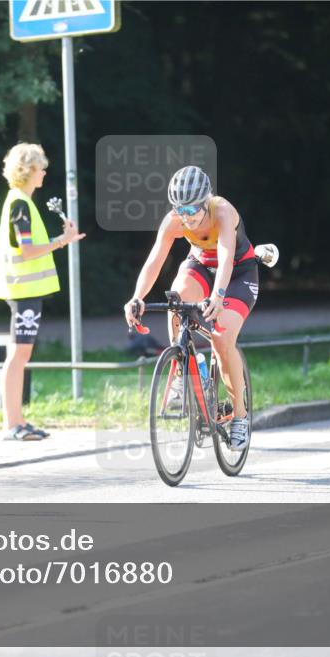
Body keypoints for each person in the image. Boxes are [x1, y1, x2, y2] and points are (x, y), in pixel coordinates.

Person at [123, 165, 259, 451]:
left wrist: (219, 296)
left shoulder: (223, 211)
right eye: (180, 210)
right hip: (200, 266)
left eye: (192, 210)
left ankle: (240, 416)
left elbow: (225, 259)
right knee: (177, 299)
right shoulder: (175, 220)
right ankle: (180, 369)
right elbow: (154, 261)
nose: (186, 217)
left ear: (206, 201)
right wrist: (136, 297)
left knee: (222, 338)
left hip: (237, 273)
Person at [0, 143, 85, 441]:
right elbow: (28, 251)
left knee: (21, 354)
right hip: (23, 289)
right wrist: (61, 241)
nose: (44, 171)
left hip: (25, 289)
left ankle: (16, 420)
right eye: (41, 167)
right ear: (29, 170)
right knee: (19, 355)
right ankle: (11, 424)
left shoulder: (21, 202)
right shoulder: (20, 203)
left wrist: (62, 238)